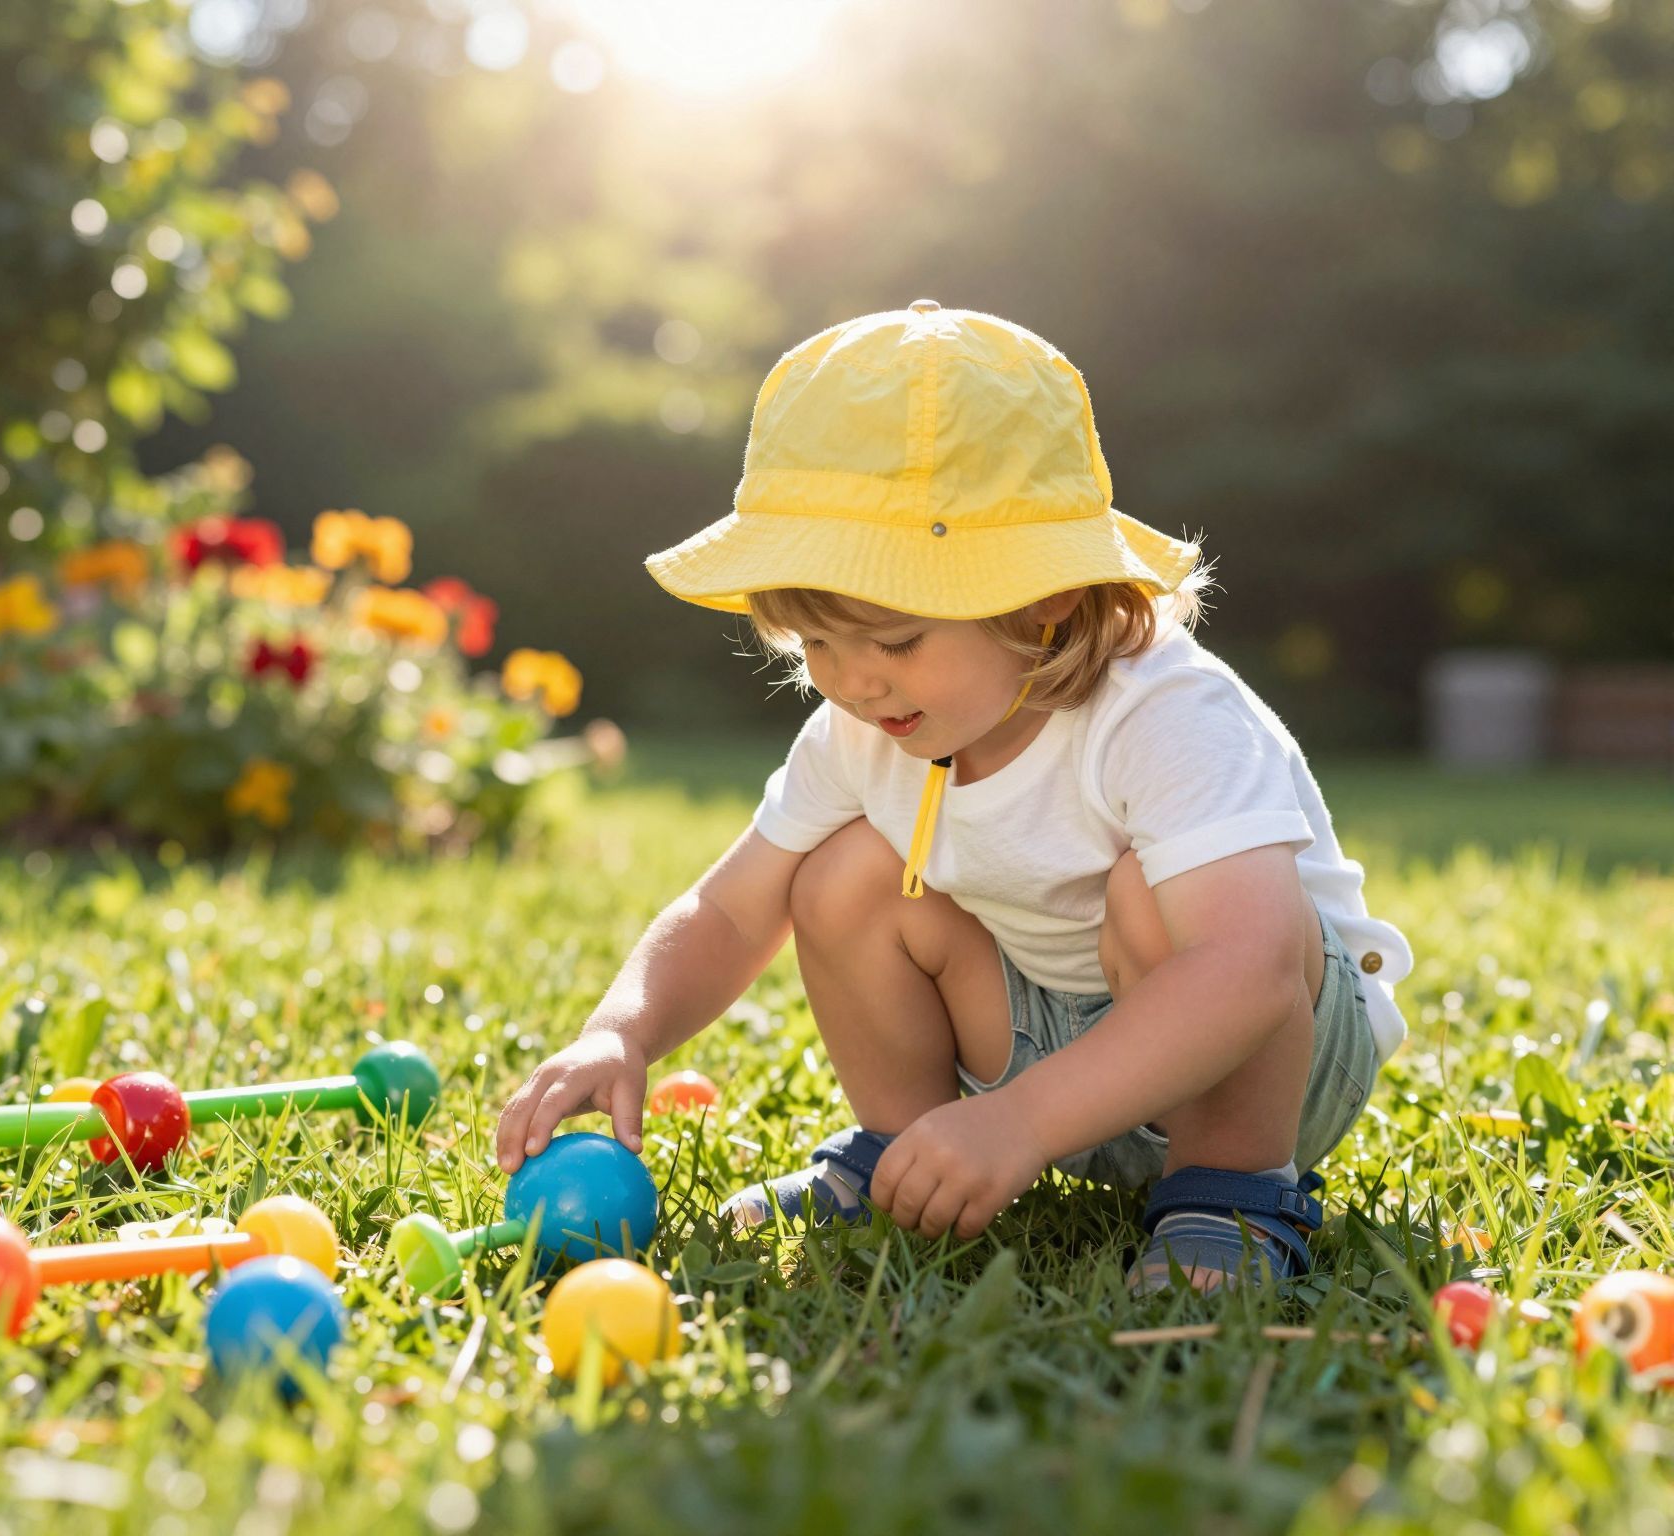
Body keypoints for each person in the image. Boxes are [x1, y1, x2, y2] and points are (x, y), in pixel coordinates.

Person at [492, 301, 1411, 1293]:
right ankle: (904, 1147)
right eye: (817, 646)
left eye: (892, 642)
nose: (853, 682)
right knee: (838, 875)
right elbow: (728, 906)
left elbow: (1248, 967)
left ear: (1043, 595)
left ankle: (1229, 1193)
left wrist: (1019, 1119)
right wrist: (618, 1028)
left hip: (1262, 1051)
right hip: (1037, 1044)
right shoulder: (863, 731)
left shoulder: (1161, 713)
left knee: (1152, 892)